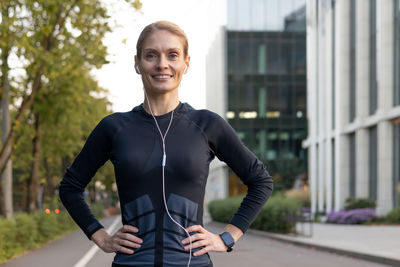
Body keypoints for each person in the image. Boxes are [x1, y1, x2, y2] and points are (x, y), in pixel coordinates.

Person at [59, 20, 273, 267]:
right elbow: (70, 187)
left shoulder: (207, 125)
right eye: (151, 55)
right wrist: (101, 236)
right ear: (137, 63)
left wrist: (227, 238)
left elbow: (261, 181)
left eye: (173, 55)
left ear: (186, 63)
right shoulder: (114, 128)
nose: (162, 64)